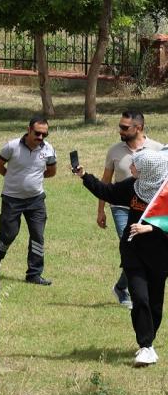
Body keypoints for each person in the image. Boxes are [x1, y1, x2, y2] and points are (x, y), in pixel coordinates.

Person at [76, 150, 168, 367]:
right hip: (133, 251)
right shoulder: (133, 186)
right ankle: (145, 345)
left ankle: (149, 343)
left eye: (135, 166)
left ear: (149, 169)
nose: (131, 169)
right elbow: (107, 191)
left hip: (160, 256)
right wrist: (84, 175)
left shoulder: (166, 191)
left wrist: (149, 229)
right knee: (140, 298)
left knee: (154, 303)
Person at [99, 111, 162, 309]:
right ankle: (134, 289)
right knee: (130, 242)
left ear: (139, 128)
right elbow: (106, 182)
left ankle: (121, 286)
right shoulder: (114, 151)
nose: (121, 131)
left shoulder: (157, 149)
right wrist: (101, 209)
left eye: (125, 127)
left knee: (140, 248)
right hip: (120, 206)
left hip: (146, 208)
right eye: (120, 126)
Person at [0, 115, 56, 285]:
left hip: (36, 201)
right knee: (8, 234)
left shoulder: (48, 149)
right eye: (37, 133)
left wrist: (34, 182)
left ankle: (34, 274)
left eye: (44, 134)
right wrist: (11, 178)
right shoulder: (12, 146)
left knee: (38, 237)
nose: (40, 137)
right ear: (28, 130)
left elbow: (51, 171)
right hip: (12, 199)